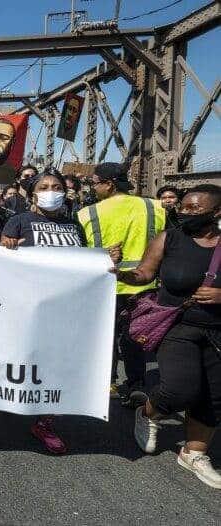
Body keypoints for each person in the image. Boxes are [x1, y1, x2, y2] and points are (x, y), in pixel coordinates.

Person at [2, 169, 121, 454]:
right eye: (44, 187)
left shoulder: (73, 225)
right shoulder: (19, 221)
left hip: (67, 307)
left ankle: (45, 421)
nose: (51, 192)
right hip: (30, 306)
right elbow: (1, 262)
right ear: (33, 193)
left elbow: (81, 261)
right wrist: (6, 246)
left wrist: (104, 259)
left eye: (57, 187)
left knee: (61, 362)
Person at [113, 185, 221, 489]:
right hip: (176, 327)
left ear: (216, 212)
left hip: (217, 332)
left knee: (214, 396)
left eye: (194, 208)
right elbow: (144, 274)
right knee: (179, 389)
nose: (185, 212)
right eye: (183, 206)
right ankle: (148, 413)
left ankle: (194, 453)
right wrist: (120, 272)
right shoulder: (169, 238)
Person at [77, 163, 166, 404]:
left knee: (104, 337)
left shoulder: (87, 213)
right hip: (144, 285)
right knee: (135, 338)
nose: (93, 188)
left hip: (104, 284)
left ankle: (107, 383)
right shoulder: (155, 207)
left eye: (95, 183)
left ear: (109, 185)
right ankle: (136, 384)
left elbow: (81, 252)